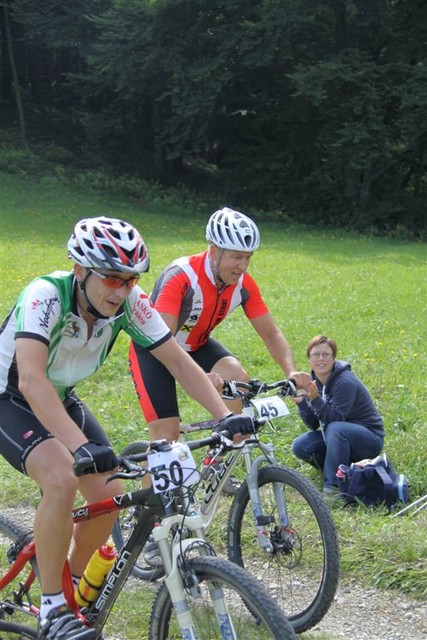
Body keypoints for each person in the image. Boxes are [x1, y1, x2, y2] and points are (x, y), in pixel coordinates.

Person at [0, 216, 253, 640]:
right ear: (80, 270)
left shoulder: (130, 303)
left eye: (131, 280)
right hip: (9, 397)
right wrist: (79, 445)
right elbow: (30, 379)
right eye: (112, 278)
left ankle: (71, 594)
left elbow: (176, 360)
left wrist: (225, 416)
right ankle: (51, 610)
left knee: (109, 498)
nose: (121, 290)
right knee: (62, 478)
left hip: (59, 396)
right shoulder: (46, 295)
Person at [129, 206, 311, 447]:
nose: (243, 266)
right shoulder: (182, 276)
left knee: (237, 380)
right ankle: (149, 473)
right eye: (236, 257)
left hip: (196, 344)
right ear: (214, 251)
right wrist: (198, 375)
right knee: (167, 436)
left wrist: (291, 371)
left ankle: (221, 461)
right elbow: (164, 339)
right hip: (155, 350)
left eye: (248, 257)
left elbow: (271, 333)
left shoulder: (243, 284)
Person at [291, 335, 385, 495]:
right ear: (309, 359)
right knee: (300, 445)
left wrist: (315, 399)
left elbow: (335, 419)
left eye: (326, 354)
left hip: (369, 438)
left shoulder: (345, 381)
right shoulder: (313, 382)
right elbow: (314, 424)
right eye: (316, 354)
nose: (321, 359)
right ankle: (344, 471)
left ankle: (333, 488)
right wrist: (301, 402)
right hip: (339, 437)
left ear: (333, 357)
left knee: (336, 428)